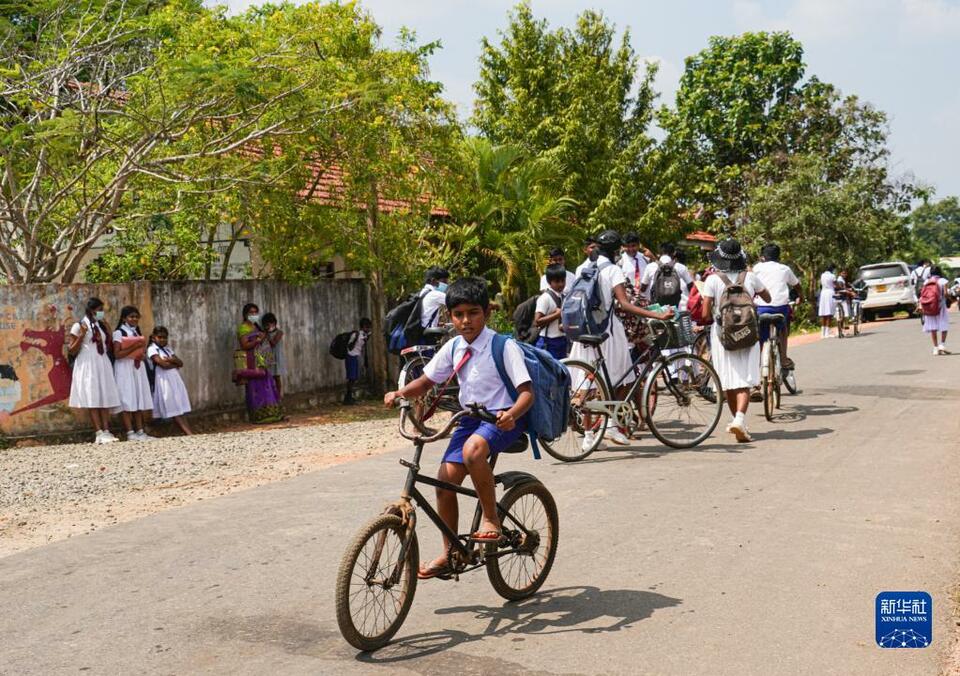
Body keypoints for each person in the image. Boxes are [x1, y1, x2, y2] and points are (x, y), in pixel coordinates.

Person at [384, 277, 534, 580]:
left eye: (473, 312)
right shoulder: (453, 347)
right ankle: (451, 552)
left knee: (473, 451)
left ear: (487, 313)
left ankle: (491, 519)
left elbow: (527, 392)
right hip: (469, 419)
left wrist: (511, 414)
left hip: (500, 418)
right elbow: (427, 381)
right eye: (458, 314)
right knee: (443, 482)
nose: (466, 320)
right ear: (449, 317)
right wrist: (401, 394)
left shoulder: (503, 346)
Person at [569, 230, 674, 449]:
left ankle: (589, 437)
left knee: (590, 382)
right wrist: (658, 315)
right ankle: (611, 427)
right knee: (623, 379)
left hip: (584, 331)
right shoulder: (613, 270)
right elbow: (624, 304)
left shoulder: (584, 268)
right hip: (608, 332)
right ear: (617, 250)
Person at [701, 239, 771, 443]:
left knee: (729, 380)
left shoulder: (713, 280)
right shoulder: (750, 277)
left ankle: (737, 419)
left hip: (723, 335)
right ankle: (739, 419)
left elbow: (705, 313)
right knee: (744, 379)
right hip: (748, 333)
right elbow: (767, 298)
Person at [67, 298, 121, 445]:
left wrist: (107, 327)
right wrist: (82, 335)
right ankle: (99, 432)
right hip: (88, 363)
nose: (102, 313)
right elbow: (71, 350)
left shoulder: (101, 325)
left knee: (104, 396)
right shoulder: (78, 326)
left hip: (101, 362)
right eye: (100, 310)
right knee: (93, 397)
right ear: (92, 310)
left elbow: (108, 343)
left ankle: (107, 430)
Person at [753, 244, 803, 371]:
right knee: (783, 329)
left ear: (763, 257)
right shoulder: (784, 269)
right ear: (778, 256)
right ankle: (784, 358)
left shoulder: (757, 268)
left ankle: (758, 361)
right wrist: (801, 297)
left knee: (760, 334)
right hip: (780, 308)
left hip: (761, 308)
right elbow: (797, 285)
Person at [235, 303, 283, 424]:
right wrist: (258, 340)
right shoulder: (243, 328)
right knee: (254, 387)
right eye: (251, 313)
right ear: (245, 314)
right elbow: (244, 345)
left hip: (262, 360)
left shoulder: (256, 326)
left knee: (267, 385)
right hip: (251, 361)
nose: (254, 315)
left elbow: (267, 341)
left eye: (255, 312)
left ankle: (273, 414)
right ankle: (257, 416)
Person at [113, 306, 154, 441]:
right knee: (126, 399)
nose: (134, 319)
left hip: (137, 368)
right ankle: (130, 432)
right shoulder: (119, 333)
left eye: (136, 316)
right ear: (124, 318)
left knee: (138, 397)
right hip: (124, 368)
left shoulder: (136, 332)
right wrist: (134, 347)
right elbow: (117, 354)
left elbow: (140, 351)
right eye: (131, 316)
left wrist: (141, 355)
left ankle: (140, 431)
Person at [147, 326, 193, 435]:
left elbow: (181, 363)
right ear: (154, 338)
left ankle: (186, 432)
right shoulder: (152, 349)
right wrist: (175, 363)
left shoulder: (167, 349)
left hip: (174, 379)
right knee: (172, 405)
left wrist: (172, 360)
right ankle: (188, 433)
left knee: (179, 406)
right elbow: (163, 365)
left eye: (165, 337)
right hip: (163, 381)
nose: (163, 340)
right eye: (160, 337)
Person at [640, 242, 694, 309]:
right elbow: (691, 286)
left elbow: (643, 288)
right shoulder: (681, 267)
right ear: (674, 253)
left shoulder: (650, 266)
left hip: (656, 308)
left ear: (659, 253)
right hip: (675, 308)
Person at [534, 265, 567, 359]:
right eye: (557, 281)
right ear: (549, 282)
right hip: (548, 342)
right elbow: (537, 321)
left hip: (562, 340)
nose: (561, 284)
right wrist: (557, 314)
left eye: (563, 281)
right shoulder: (545, 298)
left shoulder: (563, 296)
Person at [921, 266, 950, 355]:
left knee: (933, 327)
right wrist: (947, 298)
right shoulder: (943, 281)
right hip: (941, 306)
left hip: (930, 305)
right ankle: (942, 344)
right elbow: (945, 294)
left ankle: (935, 347)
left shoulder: (927, 281)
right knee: (944, 324)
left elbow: (922, 294)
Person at [343, 317, 372, 405]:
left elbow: (362, 344)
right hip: (350, 356)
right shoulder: (356, 335)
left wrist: (366, 338)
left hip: (355, 357)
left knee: (354, 378)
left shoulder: (364, 335)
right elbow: (349, 346)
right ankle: (348, 398)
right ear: (363, 327)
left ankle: (349, 397)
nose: (368, 329)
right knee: (351, 378)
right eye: (367, 327)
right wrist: (357, 340)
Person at [261, 312, 286, 400]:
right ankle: (270, 397)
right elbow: (260, 343)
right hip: (268, 356)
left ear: (275, 323)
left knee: (277, 377)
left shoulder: (279, 332)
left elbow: (273, 343)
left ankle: (279, 397)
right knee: (268, 377)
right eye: (267, 324)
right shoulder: (264, 333)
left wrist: (267, 334)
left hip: (277, 357)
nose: (269, 325)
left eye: (271, 323)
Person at [419, 267, 449, 331]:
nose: (446, 284)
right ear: (433, 281)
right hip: (428, 334)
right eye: (444, 281)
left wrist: (435, 323)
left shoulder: (423, 292)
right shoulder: (435, 294)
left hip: (420, 330)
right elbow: (457, 301)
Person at [818, 265, 837, 338]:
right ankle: (827, 332)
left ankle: (822, 333)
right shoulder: (832, 276)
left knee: (824, 313)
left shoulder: (822, 275)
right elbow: (836, 284)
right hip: (830, 293)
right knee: (829, 313)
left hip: (823, 293)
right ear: (832, 270)